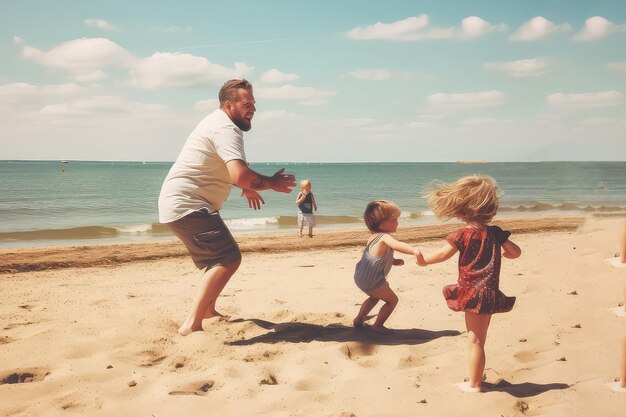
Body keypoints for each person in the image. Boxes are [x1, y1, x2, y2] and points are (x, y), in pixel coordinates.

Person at [158, 79, 296, 336]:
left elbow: (222, 167)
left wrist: (246, 186)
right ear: (228, 104)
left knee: (216, 261)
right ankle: (192, 323)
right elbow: (239, 174)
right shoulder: (226, 129)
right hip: (189, 204)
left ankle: (208, 311)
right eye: (247, 104)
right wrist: (271, 183)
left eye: (254, 104)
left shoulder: (216, 122)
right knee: (227, 258)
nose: (252, 109)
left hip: (183, 204)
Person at [416, 175, 521, 392]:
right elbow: (516, 252)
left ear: (462, 209)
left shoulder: (462, 235)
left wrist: (424, 260)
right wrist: (507, 254)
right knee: (480, 340)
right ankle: (476, 380)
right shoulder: (495, 234)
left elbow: (443, 255)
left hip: (473, 294)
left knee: (474, 342)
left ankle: (474, 385)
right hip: (490, 293)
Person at [353, 200, 422, 333]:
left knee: (374, 297)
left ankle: (359, 319)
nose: (397, 222)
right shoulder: (385, 237)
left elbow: (376, 257)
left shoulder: (373, 238)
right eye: (394, 219)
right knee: (392, 301)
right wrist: (414, 250)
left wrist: (393, 261)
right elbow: (396, 245)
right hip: (373, 280)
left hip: (361, 277)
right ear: (382, 223)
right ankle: (378, 325)